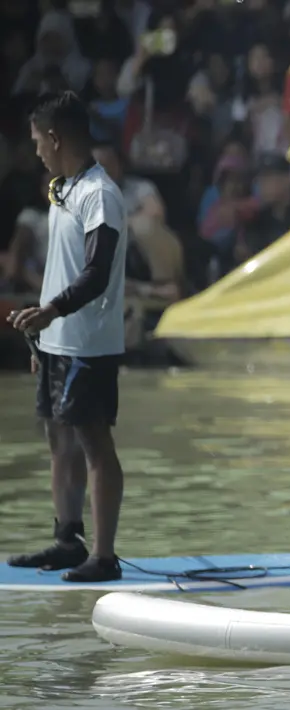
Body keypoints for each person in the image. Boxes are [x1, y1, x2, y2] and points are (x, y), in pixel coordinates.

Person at [6, 90, 129, 583]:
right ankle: (66, 540)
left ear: (55, 138)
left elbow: (97, 272)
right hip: (57, 341)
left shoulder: (99, 194)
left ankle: (104, 555)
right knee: (58, 439)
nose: (35, 149)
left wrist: (51, 312)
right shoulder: (62, 189)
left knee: (95, 443)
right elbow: (61, 267)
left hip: (89, 343)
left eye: (38, 140)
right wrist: (43, 337)